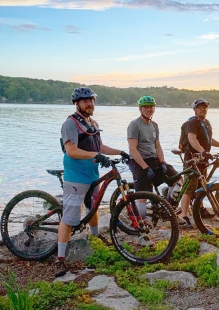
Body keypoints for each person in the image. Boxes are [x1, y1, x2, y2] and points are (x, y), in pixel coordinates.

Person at [56, 87, 129, 278]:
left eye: (91, 100)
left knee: (93, 206)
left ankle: (95, 236)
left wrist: (119, 152)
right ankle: (60, 259)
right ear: (77, 103)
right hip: (76, 177)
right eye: (85, 101)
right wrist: (96, 155)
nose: (90, 104)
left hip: (92, 175)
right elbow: (71, 150)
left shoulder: (92, 122)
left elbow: (99, 146)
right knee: (70, 218)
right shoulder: (70, 124)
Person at [127, 95, 182, 241]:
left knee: (178, 180)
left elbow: (157, 146)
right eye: (146, 107)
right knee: (143, 197)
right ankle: (141, 231)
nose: (149, 109)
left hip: (154, 159)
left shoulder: (154, 125)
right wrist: (145, 168)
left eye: (151, 106)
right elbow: (133, 149)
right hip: (138, 161)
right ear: (140, 109)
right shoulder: (134, 125)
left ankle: (165, 207)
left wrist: (163, 162)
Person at [177, 98, 219, 228]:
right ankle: (183, 215)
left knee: (201, 184)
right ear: (195, 110)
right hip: (192, 159)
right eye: (200, 108)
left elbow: (209, 139)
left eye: (205, 108)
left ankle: (200, 209)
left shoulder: (206, 123)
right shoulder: (192, 123)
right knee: (189, 188)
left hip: (202, 159)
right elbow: (192, 139)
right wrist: (203, 151)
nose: (203, 110)